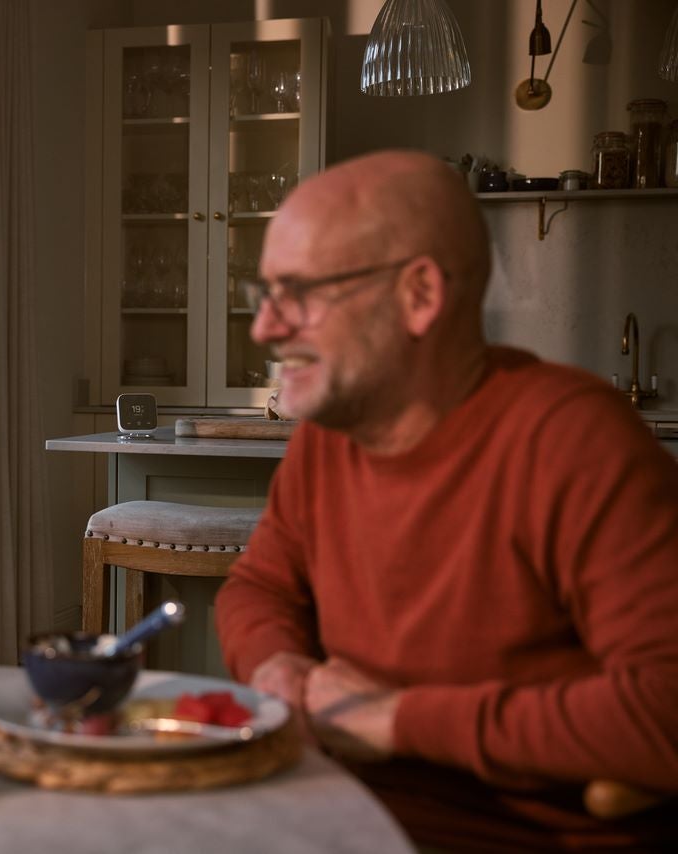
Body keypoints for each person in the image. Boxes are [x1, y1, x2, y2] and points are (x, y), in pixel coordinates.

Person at [214, 150, 678, 851]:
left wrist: (400, 721)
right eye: (265, 295)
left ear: (419, 296)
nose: (266, 329)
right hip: (338, 813)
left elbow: (664, 708)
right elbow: (258, 588)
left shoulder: (573, 440)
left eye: (298, 294)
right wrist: (276, 664)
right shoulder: (326, 441)